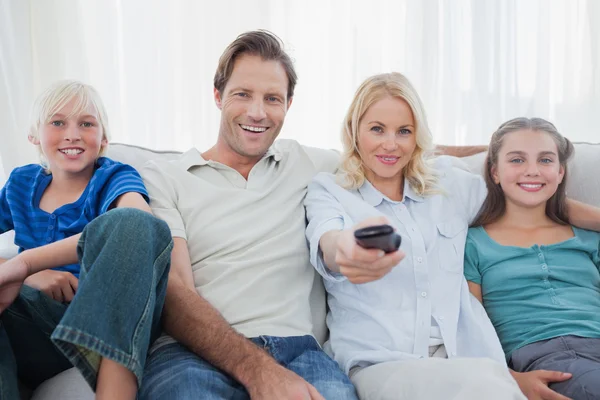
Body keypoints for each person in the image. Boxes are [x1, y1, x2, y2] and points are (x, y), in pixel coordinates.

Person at [304, 72, 600, 400]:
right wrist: (347, 249)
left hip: (469, 361)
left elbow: (527, 194)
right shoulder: (330, 189)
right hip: (381, 362)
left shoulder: (449, 183)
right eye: (377, 129)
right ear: (353, 130)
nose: (390, 144)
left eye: (404, 131)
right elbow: (329, 243)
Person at [138, 30, 358, 399]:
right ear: (218, 95)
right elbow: (175, 295)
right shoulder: (165, 177)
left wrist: (492, 152)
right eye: (243, 94)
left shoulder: (312, 165)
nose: (257, 113)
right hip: (190, 354)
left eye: (272, 98)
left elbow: (395, 151)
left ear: (289, 104)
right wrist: (258, 372)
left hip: (298, 351)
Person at [0, 80, 173, 400]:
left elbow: (140, 222)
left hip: (100, 326)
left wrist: (27, 264)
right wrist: (27, 273)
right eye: (57, 122)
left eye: (86, 123)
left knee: (134, 223)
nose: (72, 133)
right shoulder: (21, 183)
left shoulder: (113, 177)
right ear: (34, 135)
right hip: (35, 331)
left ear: (103, 138)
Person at [465, 117, 600, 400]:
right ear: (495, 172)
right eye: (516, 160)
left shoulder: (589, 237)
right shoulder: (473, 243)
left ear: (561, 172)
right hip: (544, 357)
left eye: (545, 160)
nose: (532, 171)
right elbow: (470, 326)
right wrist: (510, 378)